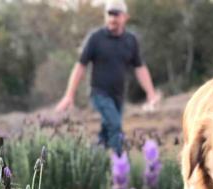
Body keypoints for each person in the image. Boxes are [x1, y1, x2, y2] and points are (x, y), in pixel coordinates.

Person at [55, 0, 160, 155]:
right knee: (115, 126)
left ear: (125, 17)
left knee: (106, 133)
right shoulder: (95, 38)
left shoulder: (131, 40)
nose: (112, 18)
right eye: (109, 14)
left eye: (116, 14)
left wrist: (150, 93)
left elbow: (140, 68)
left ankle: (92, 161)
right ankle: (120, 166)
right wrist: (69, 95)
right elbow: (80, 66)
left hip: (118, 95)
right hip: (99, 93)